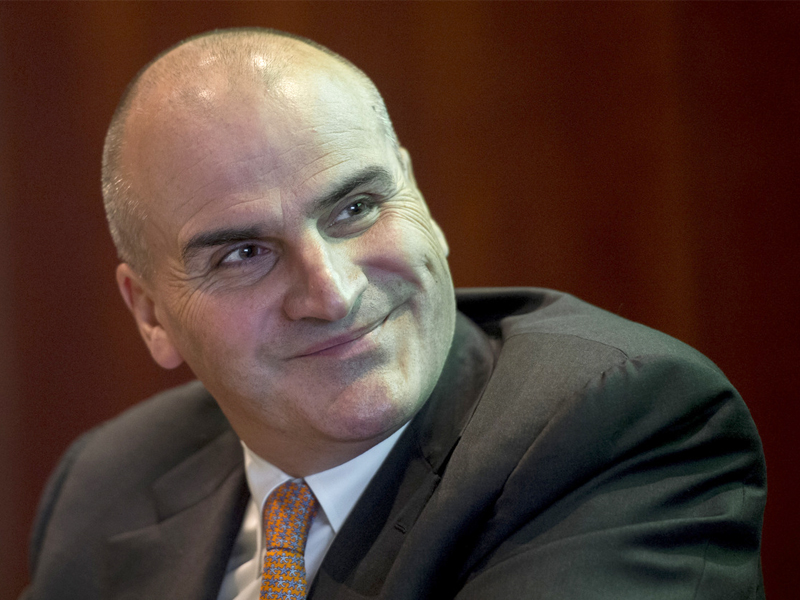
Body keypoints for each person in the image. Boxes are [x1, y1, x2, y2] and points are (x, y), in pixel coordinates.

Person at [22, 28, 765, 600]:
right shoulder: (107, 481)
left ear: (419, 200)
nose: (332, 293)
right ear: (151, 314)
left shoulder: (615, 430)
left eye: (355, 208)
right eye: (244, 253)